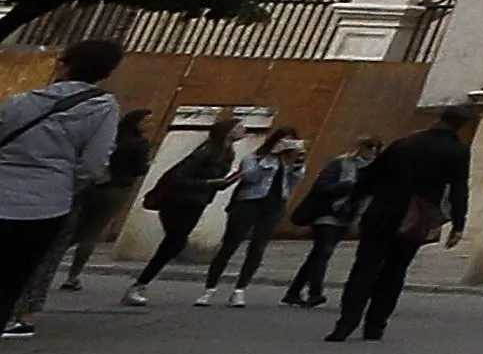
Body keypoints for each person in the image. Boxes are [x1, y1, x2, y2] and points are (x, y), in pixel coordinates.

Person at [0, 38, 124, 335]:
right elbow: (93, 164)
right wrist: (66, 187)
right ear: (106, 72)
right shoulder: (103, 108)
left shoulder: (21, 101)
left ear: (64, 63)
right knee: (14, 276)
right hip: (46, 205)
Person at [331, 101, 476, 341]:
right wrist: (458, 224)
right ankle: (376, 325)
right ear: (461, 126)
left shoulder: (405, 143)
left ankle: (346, 322)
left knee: (364, 268)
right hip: (416, 217)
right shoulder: (457, 152)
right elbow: (459, 189)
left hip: (382, 210)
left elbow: (371, 175)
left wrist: (352, 204)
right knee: (395, 271)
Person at [117, 121, 239, 306]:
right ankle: (139, 285)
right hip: (177, 201)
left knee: (173, 243)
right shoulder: (205, 152)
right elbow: (180, 178)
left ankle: (140, 285)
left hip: (197, 203)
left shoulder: (227, 154)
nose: (243, 130)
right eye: (238, 127)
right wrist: (209, 183)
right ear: (227, 131)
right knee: (175, 241)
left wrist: (222, 183)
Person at [204, 129, 304, 305]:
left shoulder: (290, 162)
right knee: (230, 244)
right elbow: (250, 177)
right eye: (283, 141)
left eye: (291, 142)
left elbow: (294, 183)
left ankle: (240, 289)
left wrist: (296, 164)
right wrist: (271, 156)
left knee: (258, 247)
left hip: (274, 207)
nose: (286, 145)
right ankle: (210, 287)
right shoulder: (254, 158)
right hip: (249, 203)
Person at [277, 139, 369, 307]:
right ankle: (315, 293)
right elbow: (321, 187)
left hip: (346, 217)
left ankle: (293, 292)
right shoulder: (340, 164)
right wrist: (345, 186)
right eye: (367, 148)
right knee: (323, 252)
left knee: (318, 255)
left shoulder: (373, 170)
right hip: (326, 214)